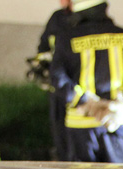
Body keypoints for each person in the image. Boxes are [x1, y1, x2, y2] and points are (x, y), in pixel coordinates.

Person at [51, 0, 123, 163]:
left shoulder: (67, 39)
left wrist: (86, 101)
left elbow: (57, 77)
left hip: (82, 124)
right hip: (121, 121)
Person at [36, 0, 72, 160]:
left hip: (75, 86)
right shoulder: (56, 18)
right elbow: (44, 45)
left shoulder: (83, 19)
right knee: (58, 129)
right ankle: (63, 158)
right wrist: (42, 63)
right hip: (57, 87)